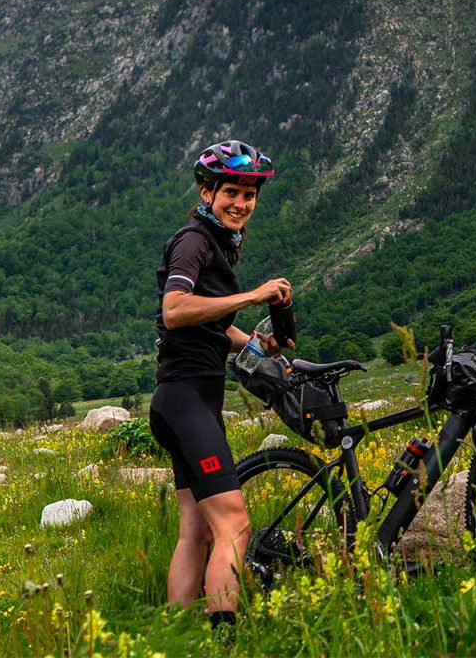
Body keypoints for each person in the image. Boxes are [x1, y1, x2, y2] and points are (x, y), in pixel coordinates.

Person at [150, 139, 294, 629]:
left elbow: (208, 326)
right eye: (231, 191)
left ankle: (174, 635)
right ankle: (223, 639)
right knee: (234, 522)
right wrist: (254, 295)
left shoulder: (215, 245)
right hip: (186, 399)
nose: (241, 204)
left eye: (249, 196)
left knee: (197, 531)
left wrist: (252, 343)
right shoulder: (193, 241)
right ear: (206, 190)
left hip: (184, 401)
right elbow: (174, 311)